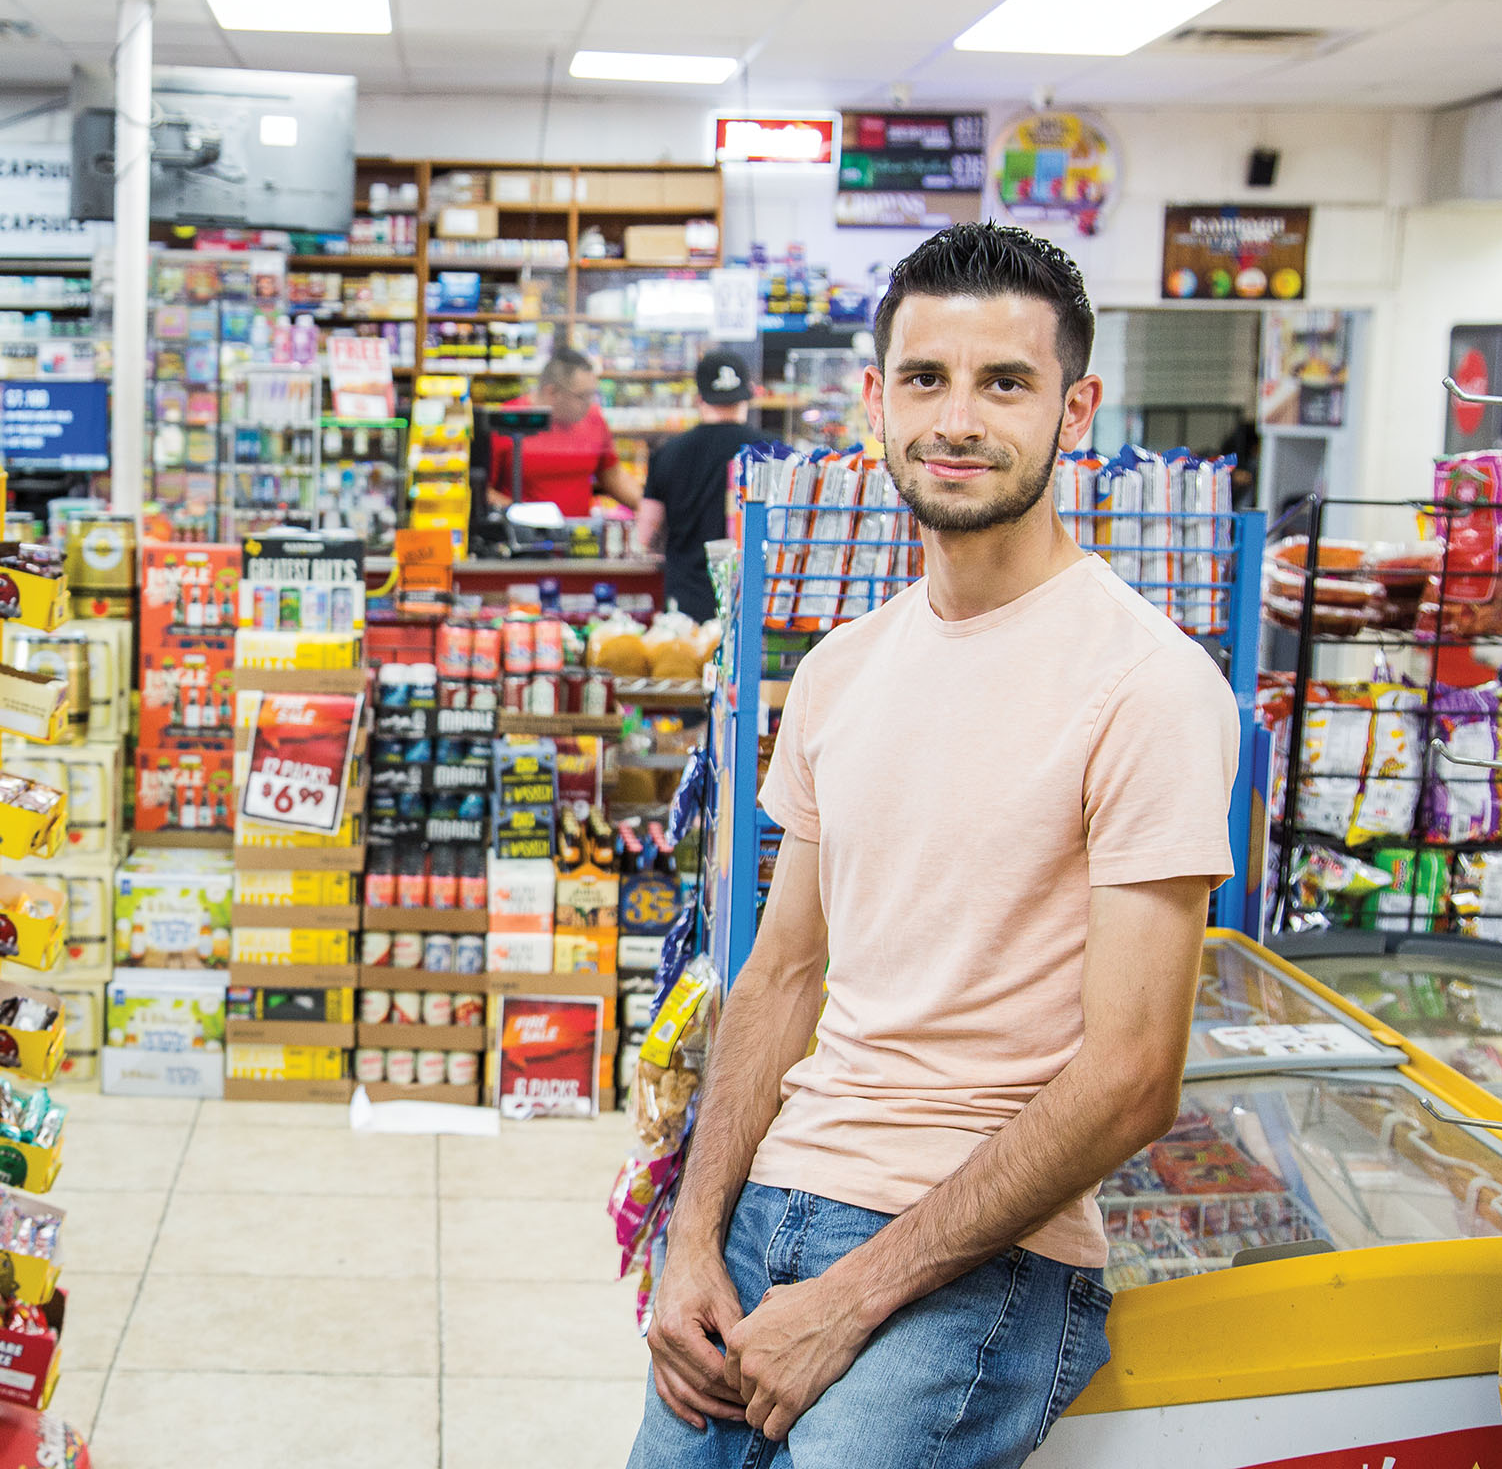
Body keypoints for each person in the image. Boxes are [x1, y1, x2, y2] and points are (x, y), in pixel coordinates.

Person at [630, 223, 1239, 1468]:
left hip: (977, 1254)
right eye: (926, 379)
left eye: (1003, 382)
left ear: (1075, 409)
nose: (957, 418)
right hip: (769, 1209)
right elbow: (781, 974)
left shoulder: (1153, 687)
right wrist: (691, 1238)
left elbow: (1132, 1075)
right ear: (873, 401)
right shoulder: (842, 669)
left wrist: (853, 1297)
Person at [637, 349, 778, 622]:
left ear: (699, 398)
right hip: (751, 604)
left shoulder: (668, 452)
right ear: (748, 395)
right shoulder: (773, 451)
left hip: (686, 606)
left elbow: (645, 535)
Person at [486, 345, 641, 517]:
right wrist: (524, 516)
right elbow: (483, 492)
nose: (589, 403)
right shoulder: (508, 421)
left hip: (581, 538)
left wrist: (647, 506)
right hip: (526, 539)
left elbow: (612, 474)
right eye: (582, 396)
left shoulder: (594, 419)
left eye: (593, 395)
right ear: (552, 392)